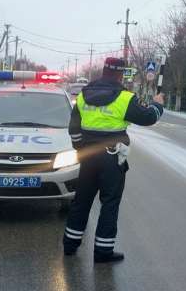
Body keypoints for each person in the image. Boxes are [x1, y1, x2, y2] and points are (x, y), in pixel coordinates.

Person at [63, 57, 165, 263]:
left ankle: (70, 245)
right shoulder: (125, 98)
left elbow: (73, 129)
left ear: (104, 71)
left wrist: (81, 148)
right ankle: (103, 252)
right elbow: (148, 118)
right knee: (109, 203)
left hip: (88, 156)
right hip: (112, 157)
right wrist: (157, 104)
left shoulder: (83, 96)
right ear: (120, 74)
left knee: (81, 200)